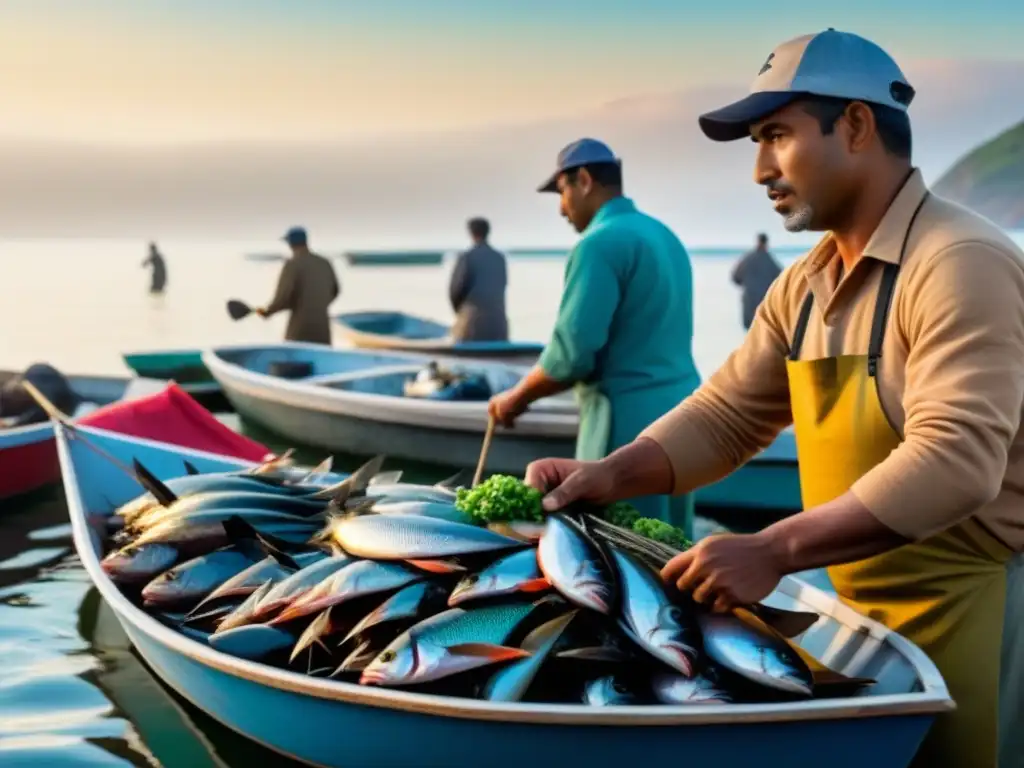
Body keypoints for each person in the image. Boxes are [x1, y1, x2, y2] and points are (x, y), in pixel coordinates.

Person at [522, 30, 1024, 768]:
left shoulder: (957, 261)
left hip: (979, 608)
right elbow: (727, 416)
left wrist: (775, 549)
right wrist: (612, 473)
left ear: (854, 125)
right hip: (863, 607)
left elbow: (956, 459)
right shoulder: (807, 283)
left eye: (777, 136)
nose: (760, 168)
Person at [488, 138, 701, 524]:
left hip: (625, 424)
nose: (561, 207)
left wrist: (515, 398)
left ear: (583, 180)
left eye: (561, 191)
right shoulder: (663, 235)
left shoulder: (598, 245)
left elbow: (570, 356)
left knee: (617, 554)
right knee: (670, 548)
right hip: (683, 415)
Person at [256, 226, 340, 345]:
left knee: (294, 360)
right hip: (322, 329)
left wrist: (268, 312)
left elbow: (283, 297)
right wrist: (318, 304)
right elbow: (335, 291)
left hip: (300, 330)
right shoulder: (324, 263)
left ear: (290, 244)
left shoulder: (292, 265)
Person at [448, 217, 510, 342]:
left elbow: (455, 291)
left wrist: (460, 313)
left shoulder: (467, 257)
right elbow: (502, 286)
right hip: (499, 325)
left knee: (456, 332)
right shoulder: (500, 258)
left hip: (473, 326)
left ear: (471, 233)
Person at [731, 232, 781, 329]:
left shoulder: (747, 259)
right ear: (766, 243)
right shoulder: (770, 260)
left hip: (749, 301)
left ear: (757, 241)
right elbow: (781, 280)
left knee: (750, 332)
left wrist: (747, 285)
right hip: (764, 304)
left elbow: (735, 277)